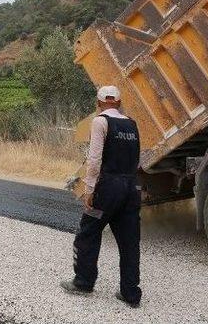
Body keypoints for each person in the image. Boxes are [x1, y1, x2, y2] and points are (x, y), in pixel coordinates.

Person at [61, 85, 142, 308]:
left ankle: (84, 282)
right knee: (129, 242)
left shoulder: (100, 122)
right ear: (118, 102)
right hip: (131, 188)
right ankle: (130, 293)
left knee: (88, 232)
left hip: (108, 190)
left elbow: (94, 160)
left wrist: (89, 190)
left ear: (98, 104)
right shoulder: (132, 124)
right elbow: (137, 159)